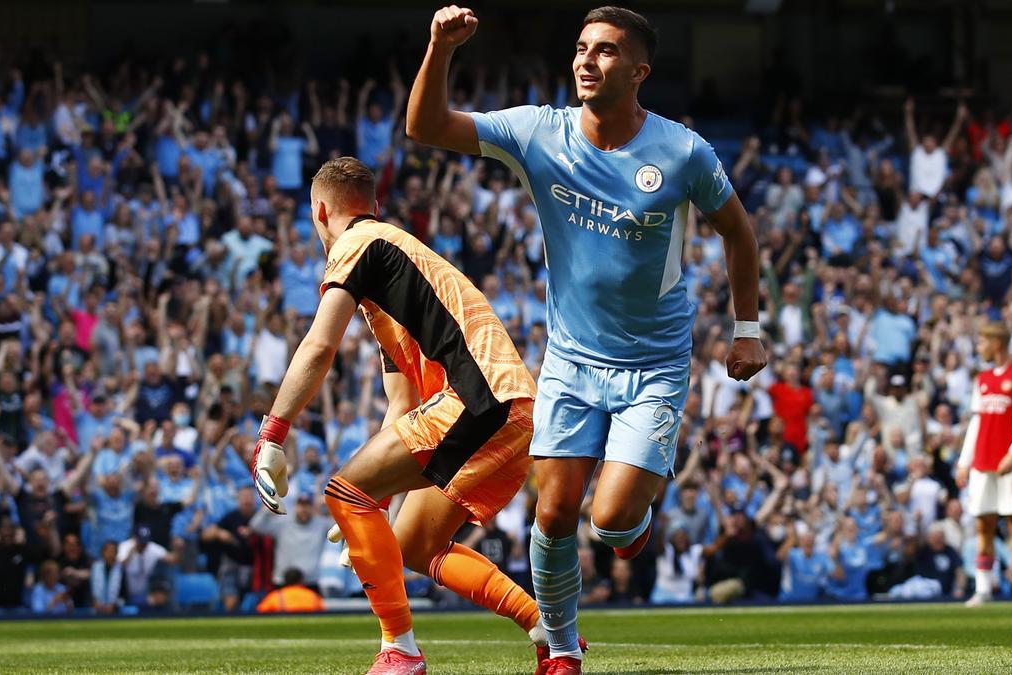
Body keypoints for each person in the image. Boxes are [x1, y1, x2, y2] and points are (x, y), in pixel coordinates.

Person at [407, 6, 766, 672]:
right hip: (572, 359)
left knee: (612, 520)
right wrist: (439, 48)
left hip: (655, 365)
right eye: (580, 48)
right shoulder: (539, 132)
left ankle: (633, 525)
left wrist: (747, 328)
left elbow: (738, 232)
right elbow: (424, 126)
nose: (586, 60)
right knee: (555, 510)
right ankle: (562, 648)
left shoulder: (683, 151)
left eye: (604, 51)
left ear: (639, 71)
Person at [249, 157, 558, 675]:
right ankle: (545, 628)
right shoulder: (394, 276)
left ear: (320, 211)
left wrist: (272, 434)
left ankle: (401, 650)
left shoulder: (356, 245)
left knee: (344, 491)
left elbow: (320, 344)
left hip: (477, 398)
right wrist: (372, 509)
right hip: (510, 407)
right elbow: (402, 407)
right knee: (415, 544)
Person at [957, 322, 1012, 607]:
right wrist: (963, 461)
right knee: (984, 524)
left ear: (997, 343)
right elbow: (976, 421)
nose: (979, 347)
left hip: (1010, 463)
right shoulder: (982, 379)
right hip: (982, 461)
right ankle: (982, 588)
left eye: (982, 342)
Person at [256, 567, 325, 614]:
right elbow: (322, 612)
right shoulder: (313, 596)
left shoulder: (275, 596)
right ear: (301, 580)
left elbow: (260, 611)